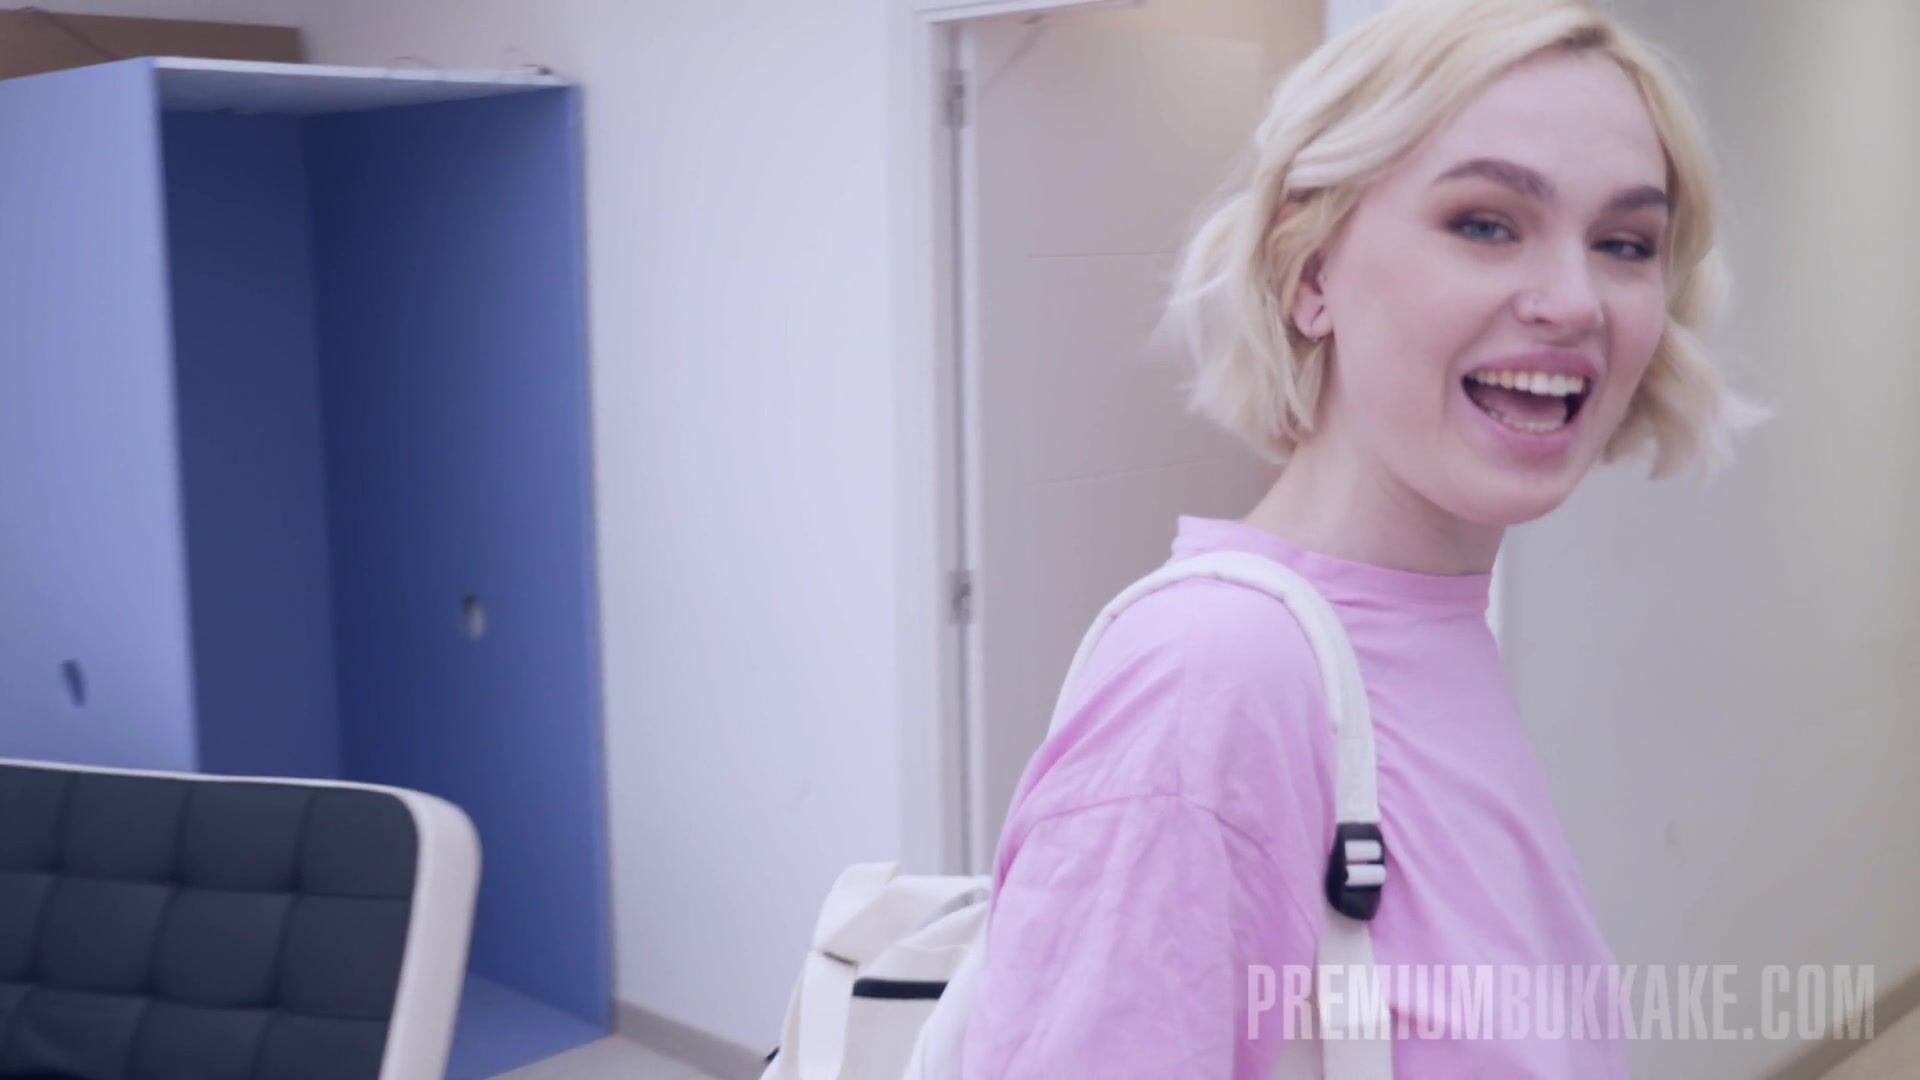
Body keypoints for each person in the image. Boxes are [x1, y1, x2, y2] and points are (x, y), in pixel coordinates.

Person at [958, 0, 1765, 1076]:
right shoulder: (1211, 681)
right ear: (1310, 274)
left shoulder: (1430, 637)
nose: (1575, 302)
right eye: (1485, 223)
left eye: (1625, 244)